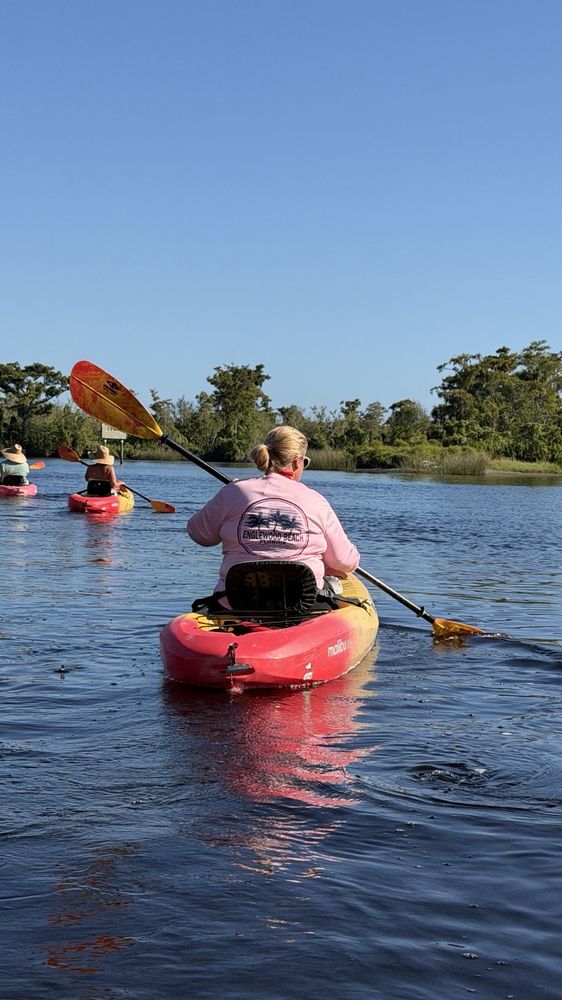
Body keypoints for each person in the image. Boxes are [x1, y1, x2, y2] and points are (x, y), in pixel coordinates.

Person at [187, 425, 359, 598]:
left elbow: (200, 534)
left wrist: (229, 496)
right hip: (302, 602)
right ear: (296, 462)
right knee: (340, 577)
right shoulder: (316, 501)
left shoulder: (234, 491)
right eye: (304, 463)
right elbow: (343, 561)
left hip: (237, 599)